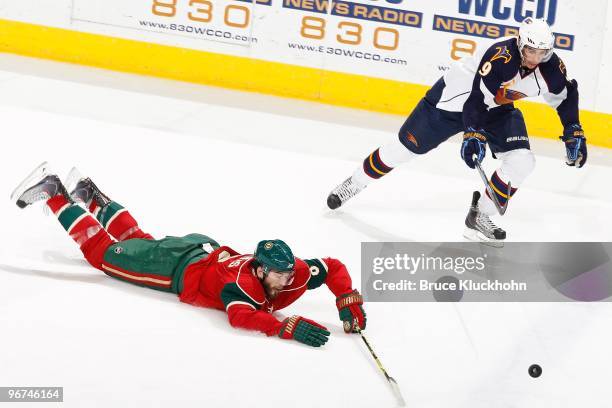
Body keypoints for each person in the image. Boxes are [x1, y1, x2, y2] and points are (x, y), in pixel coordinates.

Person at [11, 162, 366, 348]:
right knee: (105, 256)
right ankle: (56, 191)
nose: (287, 279)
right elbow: (242, 317)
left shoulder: (294, 271)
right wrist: (285, 327)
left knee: (137, 241)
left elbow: (332, 267)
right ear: (259, 271)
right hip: (175, 266)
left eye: (288, 273)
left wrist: (346, 299)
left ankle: (89, 194)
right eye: (278, 275)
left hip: (198, 249)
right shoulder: (239, 287)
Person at [326, 17, 587, 246]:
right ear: (520, 43)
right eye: (531, 50)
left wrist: (573, 129)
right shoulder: (500, 57)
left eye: (543, 52)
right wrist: (473, 133)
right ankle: (354, 183)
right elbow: (476, 99)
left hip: (497, 108)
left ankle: (480, 215)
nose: (535, 58)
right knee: (402, 151)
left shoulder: (551, 68)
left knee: (522, 161)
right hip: (450, 104)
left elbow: (564, 96)